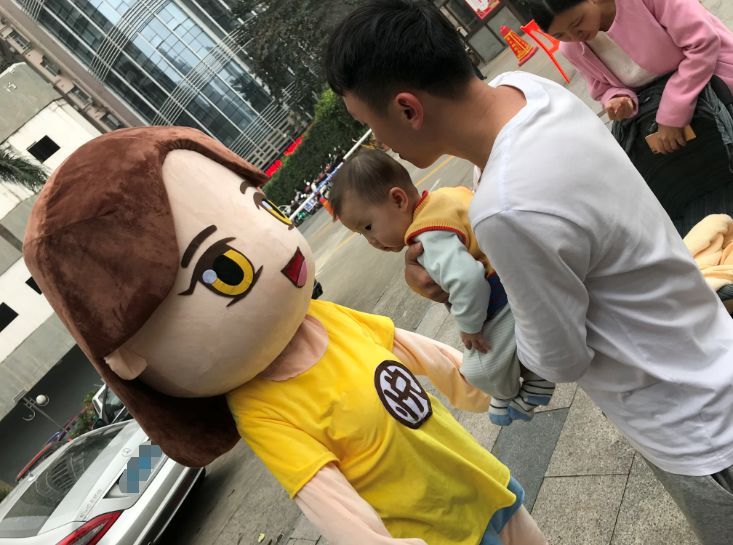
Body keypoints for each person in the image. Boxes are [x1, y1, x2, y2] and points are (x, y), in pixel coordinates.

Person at [325, 1, 733, 544]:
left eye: (370, 127)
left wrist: (476, 315)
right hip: (707, 346)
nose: (381, 145)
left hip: (693, 425)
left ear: (406, 109)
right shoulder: (526, 92)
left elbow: (560, 357)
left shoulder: (505, 208)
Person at [23, 126, 548, 545]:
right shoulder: (261, 410)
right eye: (225, 269)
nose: (279, 248)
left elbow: (412, 349)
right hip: (433, 531)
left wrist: (489, 386)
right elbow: (325, 497)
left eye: (265, 208)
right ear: (129, 353)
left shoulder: (325, 317)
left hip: (484, 482)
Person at [330, 149, 556, 425]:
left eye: (368, 227)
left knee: (478, 370)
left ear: (398, 200)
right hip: (521, 273)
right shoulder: (444, 197)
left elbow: (468, 281)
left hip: (503, 300)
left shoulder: (427, 235)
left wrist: (470, 326)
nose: (371, 241)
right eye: (362, 234)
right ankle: (535, 377)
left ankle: (514, 393)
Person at [526, 0, 733, 234]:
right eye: (560, 35)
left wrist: (672, 113)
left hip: (713, 76)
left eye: (577, 22)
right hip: (657, 106)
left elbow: (702, 44)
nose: (575, 36)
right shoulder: (572, 49)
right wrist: (617, 98)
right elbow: (601, 87)